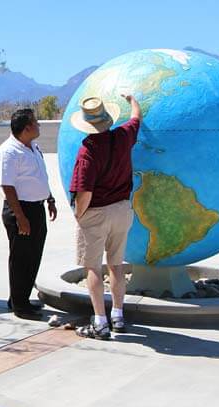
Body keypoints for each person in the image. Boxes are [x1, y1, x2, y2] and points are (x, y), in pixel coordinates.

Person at [69, 94, 141, 340]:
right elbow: (136, 119)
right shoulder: (123, 137)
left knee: (92, 267)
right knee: (116, 265)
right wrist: (133, 100)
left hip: (97, 213)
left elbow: (84, 191)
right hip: (122, 210)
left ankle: (100, 322)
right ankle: (118, 316)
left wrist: (79, 215)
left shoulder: (87, 151)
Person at [0, 109, 57, 321]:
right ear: (27, 127)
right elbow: (8, 186)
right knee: (21, 259)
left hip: (36, 207)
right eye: (36, 122)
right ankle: (19, 306)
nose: (39, 125)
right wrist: (20, 217)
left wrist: (49, 198)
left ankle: (21, 297)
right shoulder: (8, 152)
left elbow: (40, 177)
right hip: (20, 209)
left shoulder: (33, 147)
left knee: (33, 256)